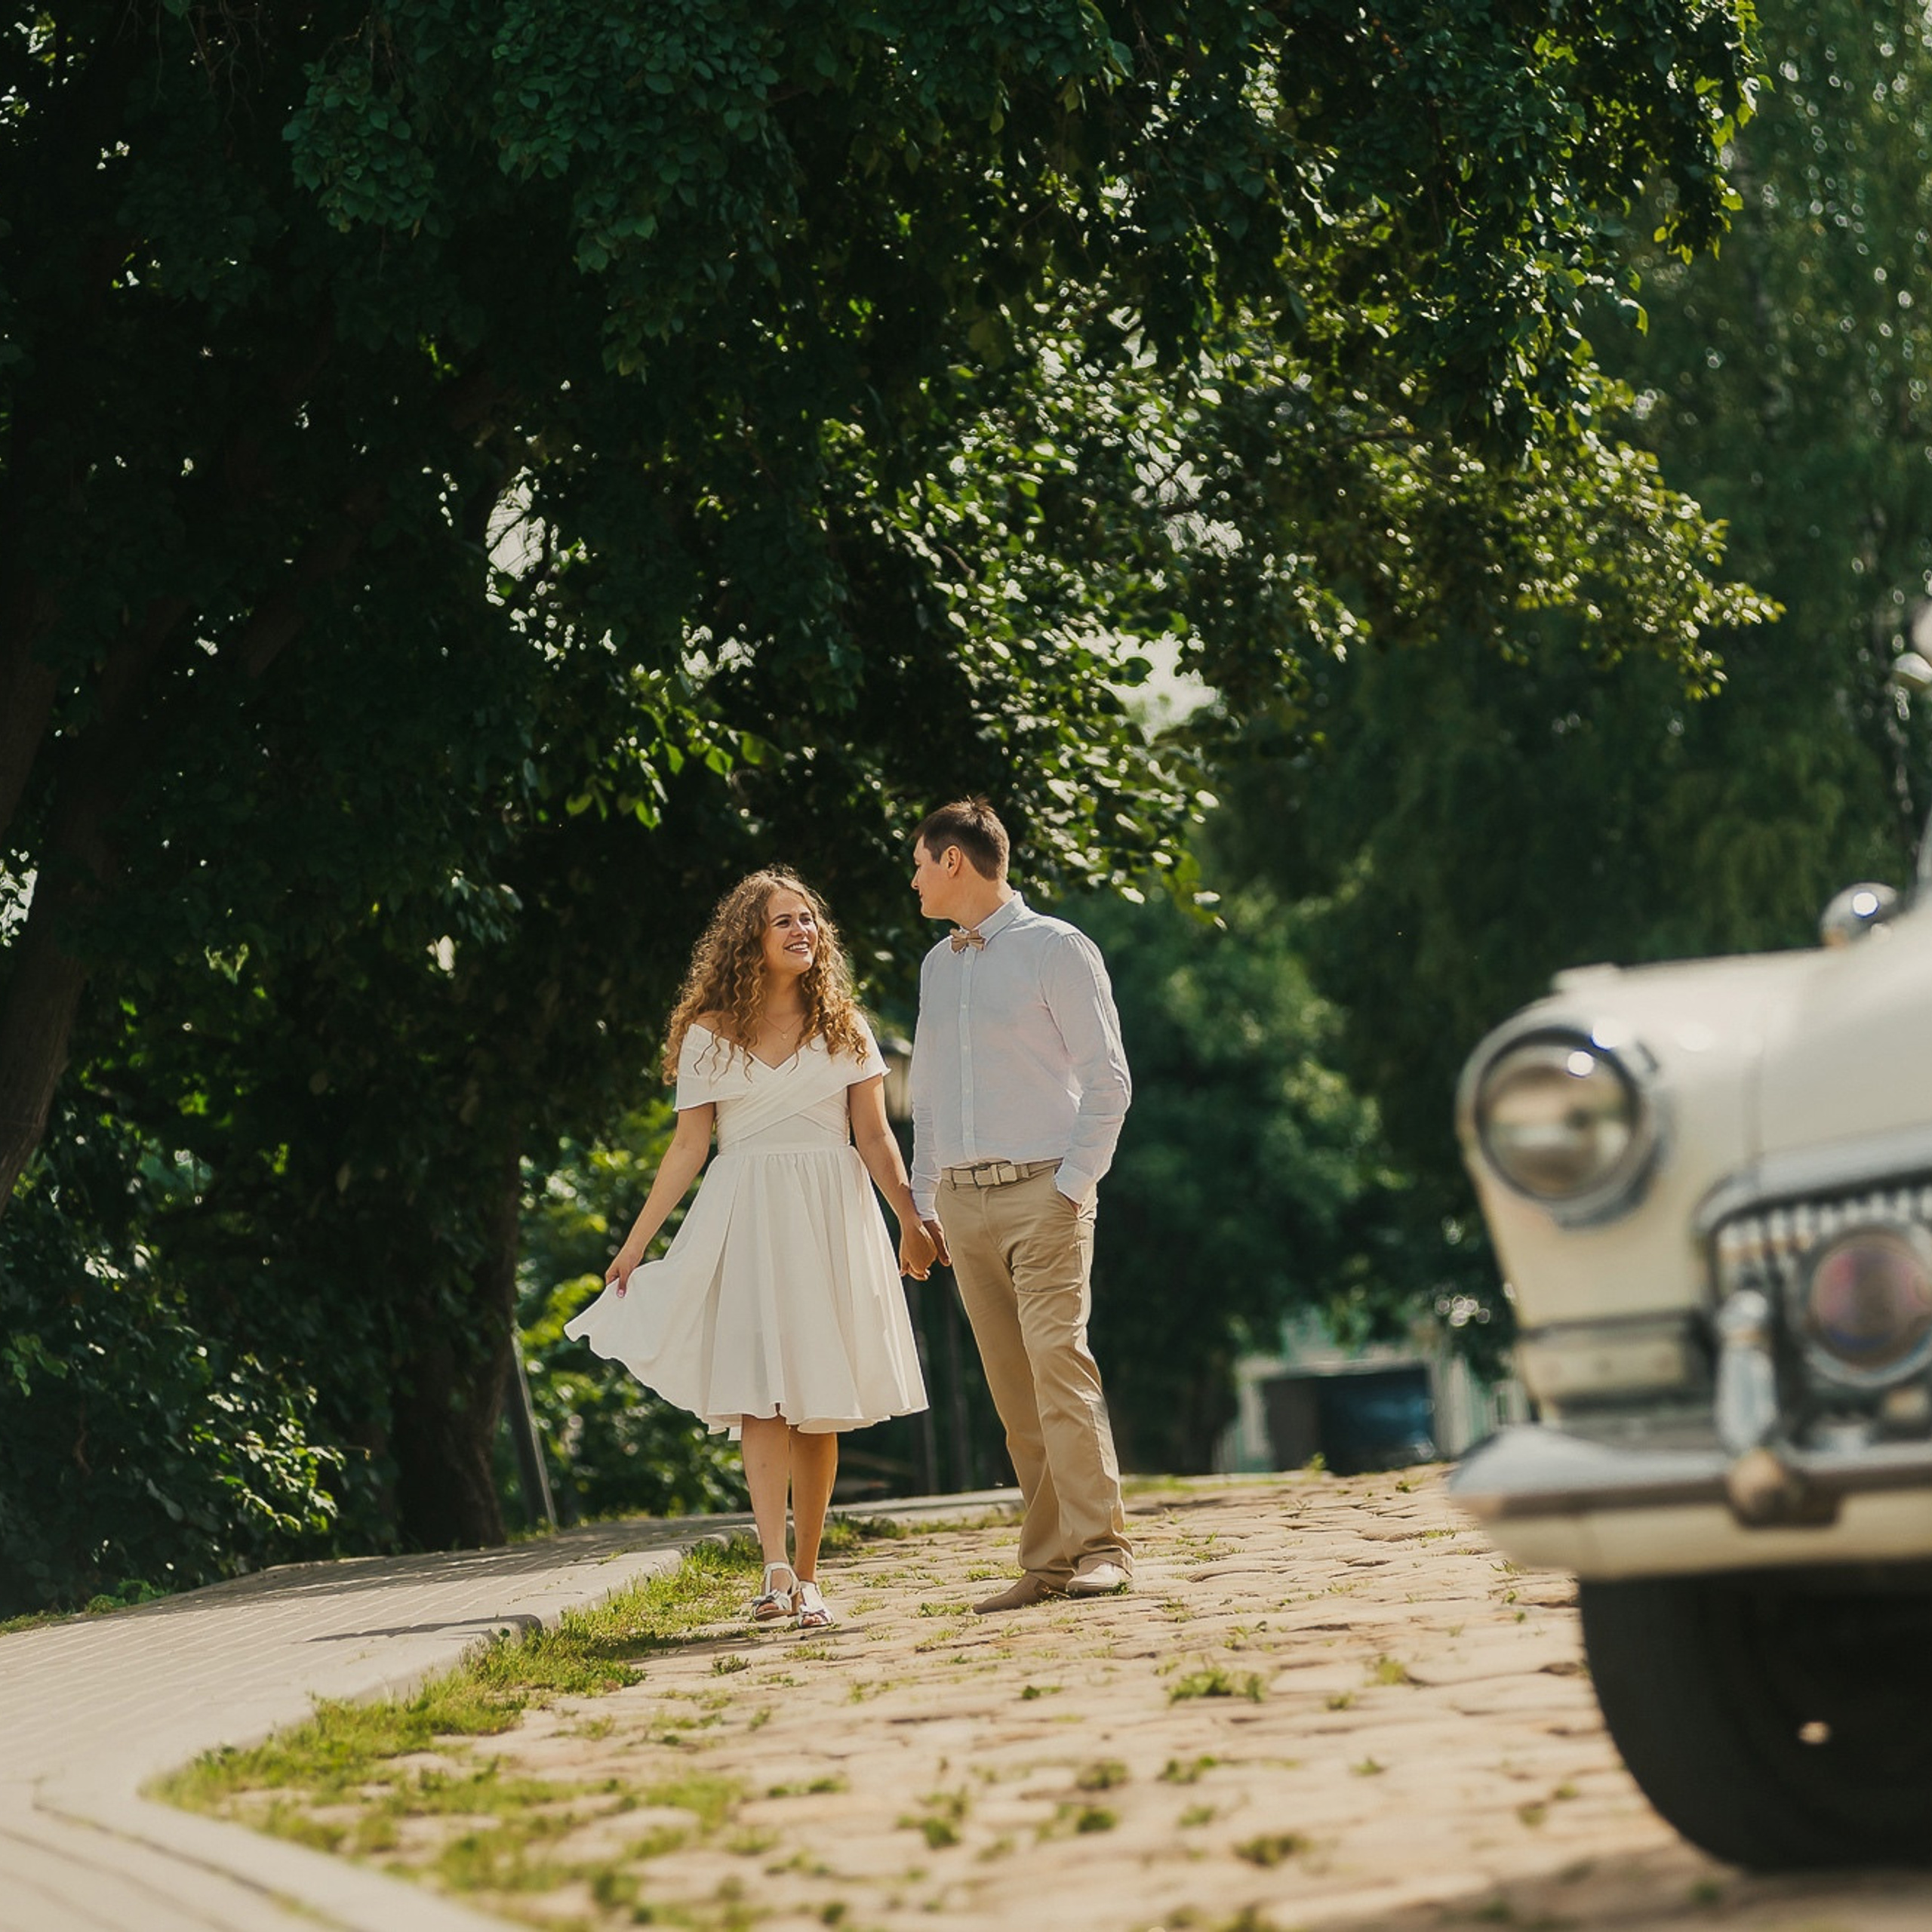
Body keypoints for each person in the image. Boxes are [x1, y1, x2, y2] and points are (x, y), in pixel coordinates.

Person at [566, 869, 934, 1630]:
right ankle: (771, 1569)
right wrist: (635, 1245)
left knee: (819, 1405)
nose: (804, 930)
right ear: (750, 941)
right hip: (749, 1216)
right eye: (784, 922)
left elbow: (873, 1136)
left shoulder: (846, 1027)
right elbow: (687, 1146)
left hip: (831, 1212)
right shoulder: (710, 1031)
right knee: (761, 1393)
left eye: (809, 918)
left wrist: (910, 1218)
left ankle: (807, 1575)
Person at [908, 798, 1134, 1614]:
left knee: (1057, 1368)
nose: (914, 879)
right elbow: (927, 1096)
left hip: (1046, 1192)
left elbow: (1108, 1080)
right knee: (1012, 1389)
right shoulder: (938, 965)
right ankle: (1047, 1560)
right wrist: (921, 1201)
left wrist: (1071, 1186)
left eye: (920, 863)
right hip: (962, 1207)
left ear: (954, 862)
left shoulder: (1057, 948)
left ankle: (1102, 1548)